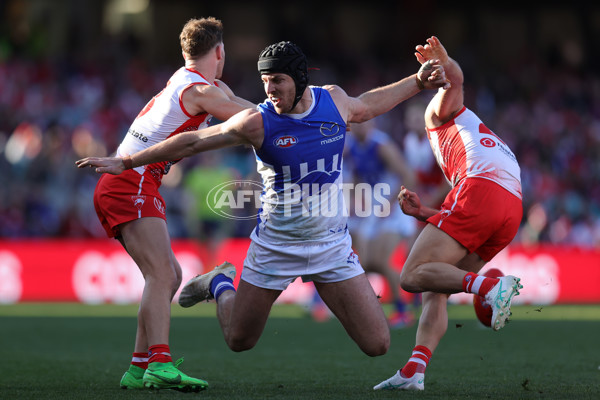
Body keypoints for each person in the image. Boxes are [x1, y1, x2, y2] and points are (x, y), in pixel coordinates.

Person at [77, 41, 449, 365]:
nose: (269, 90)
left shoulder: (333, 102)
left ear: (300, 78)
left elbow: (368, 104)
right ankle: (220, 284)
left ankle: (227, 284)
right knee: (239, 341)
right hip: (275, 246)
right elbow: (191, 142)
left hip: (331, 246)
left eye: (278, 81)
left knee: (378, 344)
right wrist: (126, 161)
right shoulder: (256, 122)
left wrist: (417, 82)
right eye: (265, 81)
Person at [81, 17, 255, 392]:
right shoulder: (201, 92)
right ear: (220, 52)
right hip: (132, 181)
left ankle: (138, 366)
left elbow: (249, 106)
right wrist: (304, 121)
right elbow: (250, 121)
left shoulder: (187, 79)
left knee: (168, 275)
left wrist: (283, 115)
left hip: (130, 181)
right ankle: (159, 361)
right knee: (162, 275)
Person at [373, 36, 523, 391]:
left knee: (411, 276)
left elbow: (455, 79)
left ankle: (490, 286)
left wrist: (445, 62)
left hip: (482, 188)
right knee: (435, 284)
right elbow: (473, 206)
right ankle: (414, 370)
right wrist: (425, 211)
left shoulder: (438, 116)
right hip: (511, 207)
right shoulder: (477, 132)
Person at [345, 119, 418, 328]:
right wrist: (353, 197)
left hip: (392, 209)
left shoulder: (382, 146)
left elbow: (408, 175)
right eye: (355, 123)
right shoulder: (351, 145)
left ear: (372, 125)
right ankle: (372, 309)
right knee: (367, 263)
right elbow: (357, 176)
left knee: (381, 262)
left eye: (363, 123)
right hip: (374, 210)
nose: (359, 126)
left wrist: (393, 202)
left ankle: (402, 310)